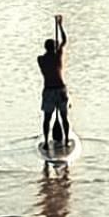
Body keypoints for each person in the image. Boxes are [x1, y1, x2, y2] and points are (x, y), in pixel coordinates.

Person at [38, 13, 70, 148]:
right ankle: (66, 139)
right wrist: (60, 25)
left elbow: (61, 43)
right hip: (59, 89)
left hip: (50, 90)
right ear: (54, 48)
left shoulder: (41, 59)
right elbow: (64, 40)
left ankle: (46, 141)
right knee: (63, 117)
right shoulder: (57, 56)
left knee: (47, 118)